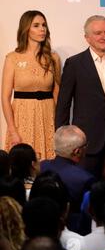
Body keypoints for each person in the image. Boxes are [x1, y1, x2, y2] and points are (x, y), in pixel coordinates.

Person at [55, 15, 105, 178]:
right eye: (98, 33)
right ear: (87, 37)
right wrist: (62, 141)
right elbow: (63, 104)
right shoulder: (75, 63)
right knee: (86, 190)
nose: (104, 37)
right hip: (85, 143)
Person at [2, 10, 61, 160]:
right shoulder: (12, 58)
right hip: (22, 118)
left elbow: (57, 94)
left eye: (44, 25)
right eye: (36, 25)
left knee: (47, 164)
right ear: (26, 29)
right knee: (22, 164)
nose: (42, 29)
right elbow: (5, 97)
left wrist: (58, 125)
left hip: (48, 116)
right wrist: (13, 130)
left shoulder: (53, 58)